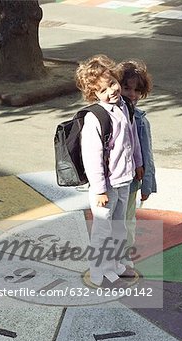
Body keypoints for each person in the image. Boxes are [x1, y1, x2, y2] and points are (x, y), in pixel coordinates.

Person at [75, 54, 144, 287]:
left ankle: (113, 265)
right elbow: (92, 158)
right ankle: (97, 271)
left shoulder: (125, 106)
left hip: (124, 179)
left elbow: (132, 139)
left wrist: (138, 163)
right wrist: (99, 190)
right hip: (105, 187)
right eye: (103, 90)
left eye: (113, 84)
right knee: (102, 230)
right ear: (93, 94)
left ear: (116, 78)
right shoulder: (96, 117)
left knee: (118, 227)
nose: (111, 92)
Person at [117, 59, 157, 267]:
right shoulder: (110, 115)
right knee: (111, 221)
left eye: (137, 90)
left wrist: (148, 184)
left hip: (131, 181)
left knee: (126, 220)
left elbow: (146, 154)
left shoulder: (140, 119)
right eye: (126, 88)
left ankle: (123, 258)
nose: (132, 95)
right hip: (112, 181)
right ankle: (110, 258)